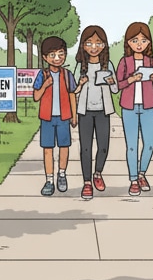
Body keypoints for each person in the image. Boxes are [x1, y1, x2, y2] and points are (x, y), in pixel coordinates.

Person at [115, 22, 153, 197]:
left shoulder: (152, 62)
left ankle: (142, 173)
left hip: (148, 106)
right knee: (132, 145)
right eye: (135, 40)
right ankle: (134, 179)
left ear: (149, 42)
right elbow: (118, 85)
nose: (139, 44)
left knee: (149, 143)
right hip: (129, 107)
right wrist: (131, 79)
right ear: (128, 42)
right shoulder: (124, 62)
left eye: (143, 40)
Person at [72, 25, 119, 200]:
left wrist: (111, 80)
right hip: (84, 112)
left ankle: (97, 173)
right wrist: (81, 84)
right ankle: (86, 182)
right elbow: (74, 91)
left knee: (103, 146)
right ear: (83, 45)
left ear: (104, 45)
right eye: (89, 43)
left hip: (103, 111)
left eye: (98, 43)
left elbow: (115, 90)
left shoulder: (108, 65)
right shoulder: (80, 66)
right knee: (85, 148)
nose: (93, 47)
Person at [32, 36, 78, 196]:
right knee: (48, 149)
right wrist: (45, 85)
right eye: (52, 55)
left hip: (64, 117)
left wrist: (74, 114)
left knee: (64, 147)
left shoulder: (67, 74)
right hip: (47, 118)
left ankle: (62, 174)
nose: (57, 58)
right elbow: (36, 96)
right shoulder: (42, 75)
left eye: (61, 54)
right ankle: (49, 179)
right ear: (45, 57)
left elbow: (72, 94)